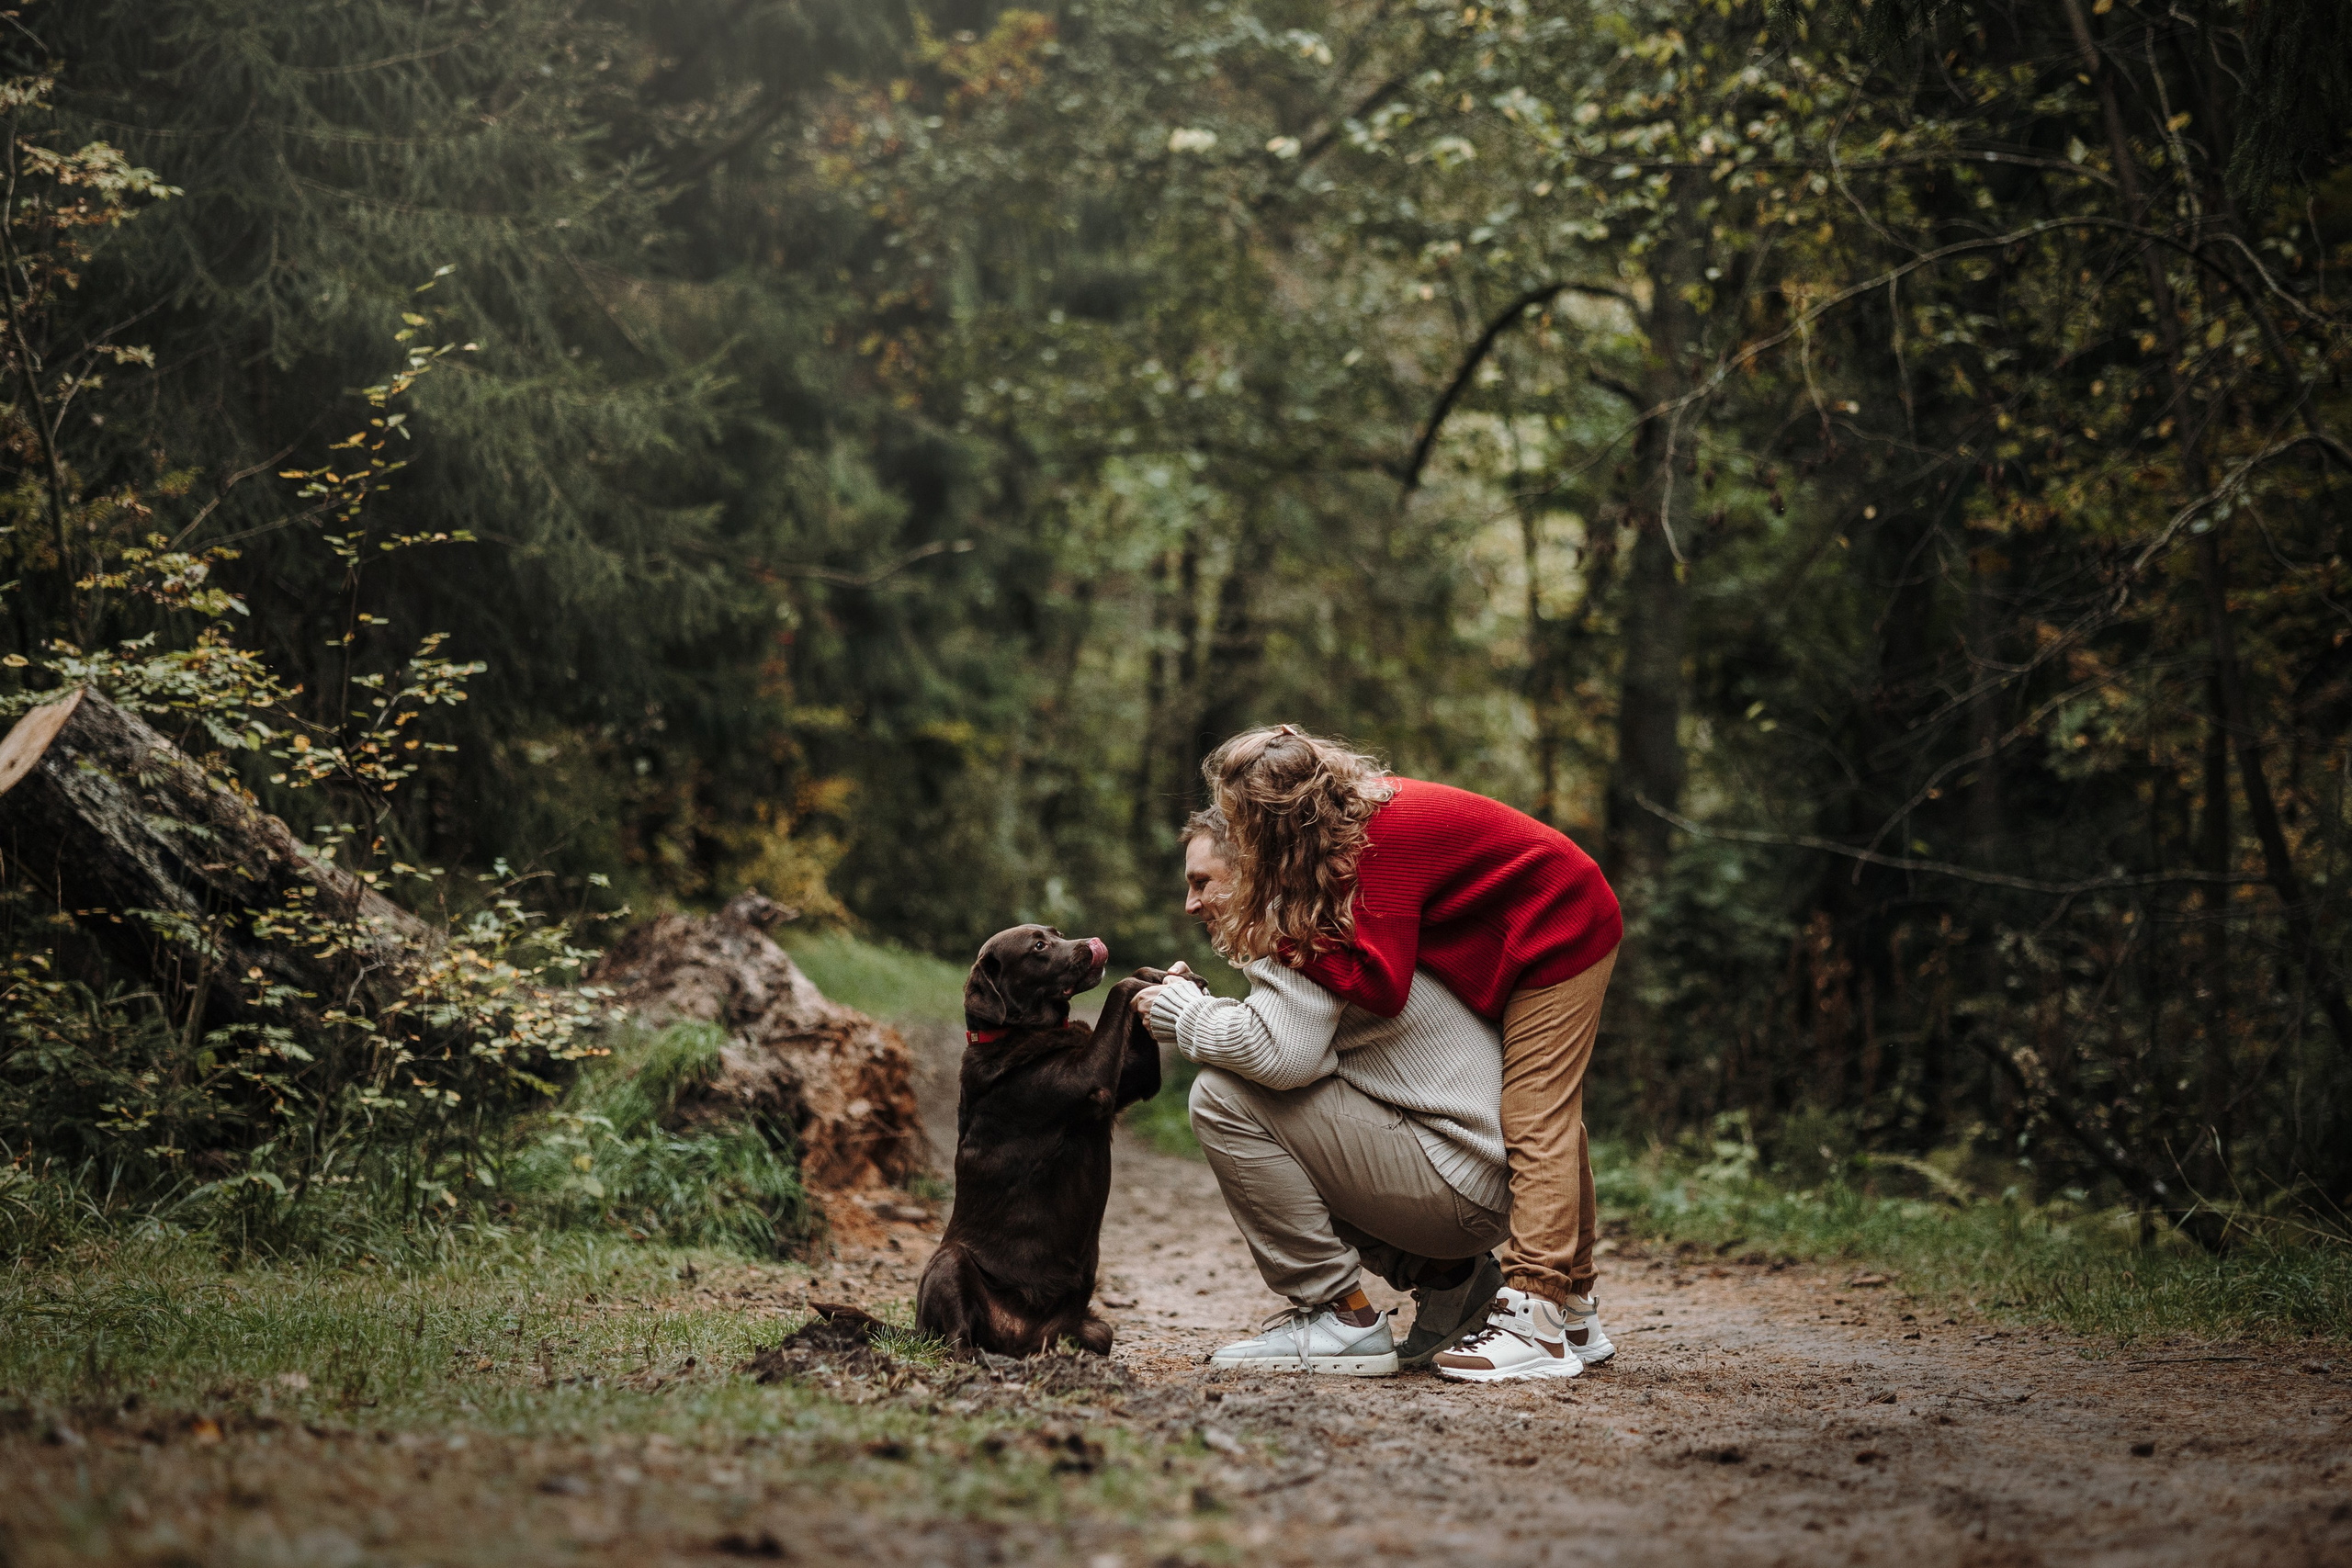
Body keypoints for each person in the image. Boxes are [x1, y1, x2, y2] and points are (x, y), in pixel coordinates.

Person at [1145, 726, 1623, 1383]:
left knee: (1540, 1106)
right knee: (1549, 1110)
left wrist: (1196, 1011)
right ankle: (1569, 1309)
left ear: (1270, 831)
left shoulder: (1357, 860)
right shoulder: (1346, 847)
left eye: (1240, 831)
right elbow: (1363, 996)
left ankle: (1538, 1315)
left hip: (1560, 920)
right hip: (1518, 935)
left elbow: (1331, 1020)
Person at [1136, 806, 1514, 1375]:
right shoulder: (1330, 910)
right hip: (1477, 1173)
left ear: (1253, 871)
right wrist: (1200, 1012)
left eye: (1202, 882)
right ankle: (1454, 1281)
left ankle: (1340, 1316)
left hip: (1458, 1181)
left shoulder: (1297, 927)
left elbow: (1281, 1060)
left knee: (1221, 1096)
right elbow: (1297, 1048)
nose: (1191, 905)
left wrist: (1188, 1014)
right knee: (1258, 1092)